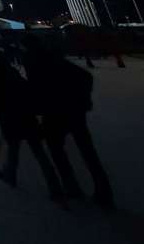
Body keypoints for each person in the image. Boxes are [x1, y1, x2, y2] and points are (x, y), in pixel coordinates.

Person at [23, 36, 114, 207]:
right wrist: (82, 100)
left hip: (56, 112)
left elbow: (36, 87)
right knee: (87, 151)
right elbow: (86, 77)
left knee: (57, 150)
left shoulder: (37, 62)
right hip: (72, 111)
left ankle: (72, 187)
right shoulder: (52, 60)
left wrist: (37, 106)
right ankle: (103, 191)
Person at [0, 51, 63, 200]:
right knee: (39, 153)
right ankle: (54, 186)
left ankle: (10, 175)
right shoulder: (15, 74)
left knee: (14, 150)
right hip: (27, 119)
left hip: (11, 120)